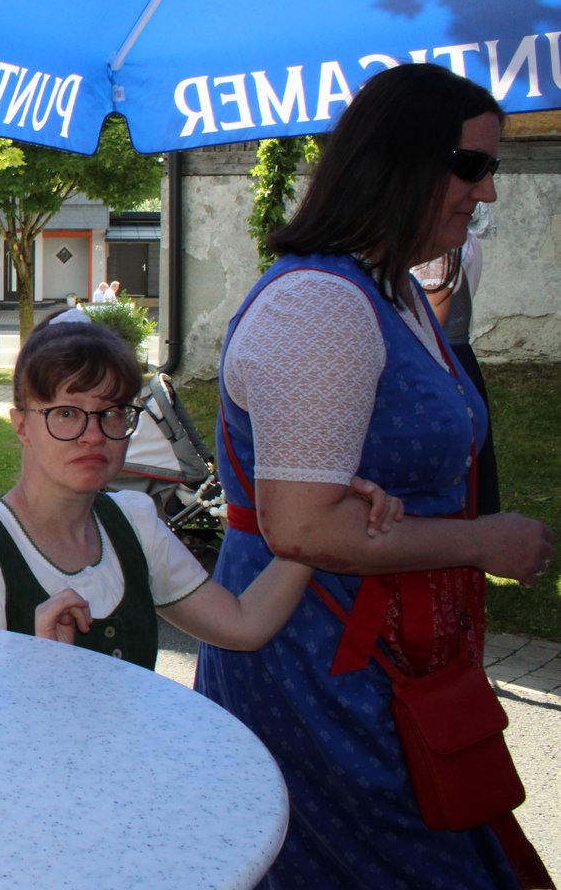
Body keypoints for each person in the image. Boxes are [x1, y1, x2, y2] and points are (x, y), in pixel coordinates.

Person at [195, 63, 554, 888]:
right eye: (472, 166)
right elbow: (303, 527)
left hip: (385, 655)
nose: (488, 191)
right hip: (321, 660)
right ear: (401, 162)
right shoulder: (318, 306)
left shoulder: (391, 291)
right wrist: (482, 541)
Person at [0, 321, 399, 663]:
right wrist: (38, 672)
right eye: (67, 413)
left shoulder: (131, 523)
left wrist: (321, 519)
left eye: (113, 412)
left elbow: (242, 625)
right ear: (22, 424)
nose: (94, 435)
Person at [413, 219, 500, 516]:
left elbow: (430, 323)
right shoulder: (463, 241)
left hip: (441, 359)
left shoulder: (437, 249)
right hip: (456, 356)